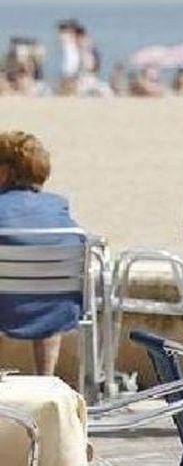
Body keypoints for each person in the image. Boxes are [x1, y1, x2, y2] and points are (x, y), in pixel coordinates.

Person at [0, 131, 82, 376]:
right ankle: (46, 378)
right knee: (46, 285)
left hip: (5, 308)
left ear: (4, 173)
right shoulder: (58, 206)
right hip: (58, 307)